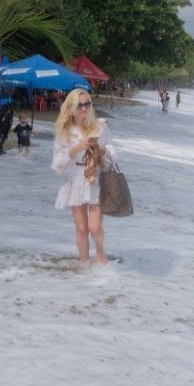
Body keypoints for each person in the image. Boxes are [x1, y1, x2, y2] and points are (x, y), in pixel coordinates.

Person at [52, 89, 117, 266]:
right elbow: (57, 164)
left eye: (87, 104)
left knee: (94, 227)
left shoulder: (100, 127)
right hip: (76, 180)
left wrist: (101, 149)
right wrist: (76, 148)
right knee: (81, 228)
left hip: (95, 178)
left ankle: (101, 255)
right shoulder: (65, 132)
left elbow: (113, 151)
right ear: (71, 108)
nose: (84, 108)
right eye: (79, 105)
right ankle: (85, 265)